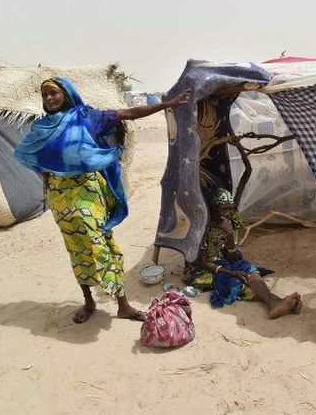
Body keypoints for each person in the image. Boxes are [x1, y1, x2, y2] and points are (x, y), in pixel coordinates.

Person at [15, 77, 191, 324]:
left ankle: (123, 305)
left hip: (86, 190)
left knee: (99, 242)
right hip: (60, 198)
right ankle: (89, 301)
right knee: (76, 248)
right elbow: (30, 154)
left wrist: (166, 104)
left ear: (66, 92)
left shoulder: (87, 117)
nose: (49, 98)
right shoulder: (42, 128)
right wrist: (44, 177)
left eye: (53, 93)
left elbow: (129, 113)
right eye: (44, 95)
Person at [183, 188, 302, 319]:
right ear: (214, 207)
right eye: (223, 208)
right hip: (201, 269)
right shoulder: (202, 224)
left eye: (230, 208)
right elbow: (204, 262)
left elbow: (232, 257)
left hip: (225, 261)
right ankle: (275, 302)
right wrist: (232, 272)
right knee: (232, 281)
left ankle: (275, 303)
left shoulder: (232, 218)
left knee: (249, 269)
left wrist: (229, 235)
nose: (227, 212)